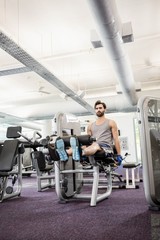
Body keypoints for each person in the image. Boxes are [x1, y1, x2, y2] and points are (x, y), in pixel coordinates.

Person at [54, 100, 123, 165]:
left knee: (95, 145)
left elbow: (116, 139)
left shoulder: (111, 122)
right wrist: (83, 146)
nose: (98, 110)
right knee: (82, 146)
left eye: (100, 108)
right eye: (96, 108)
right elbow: (88, 141)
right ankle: (62, 154)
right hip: (93, 145)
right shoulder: (90, 126)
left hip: (106, 147)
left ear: (104, 109)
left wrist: (119, 154)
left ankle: (80, 153)